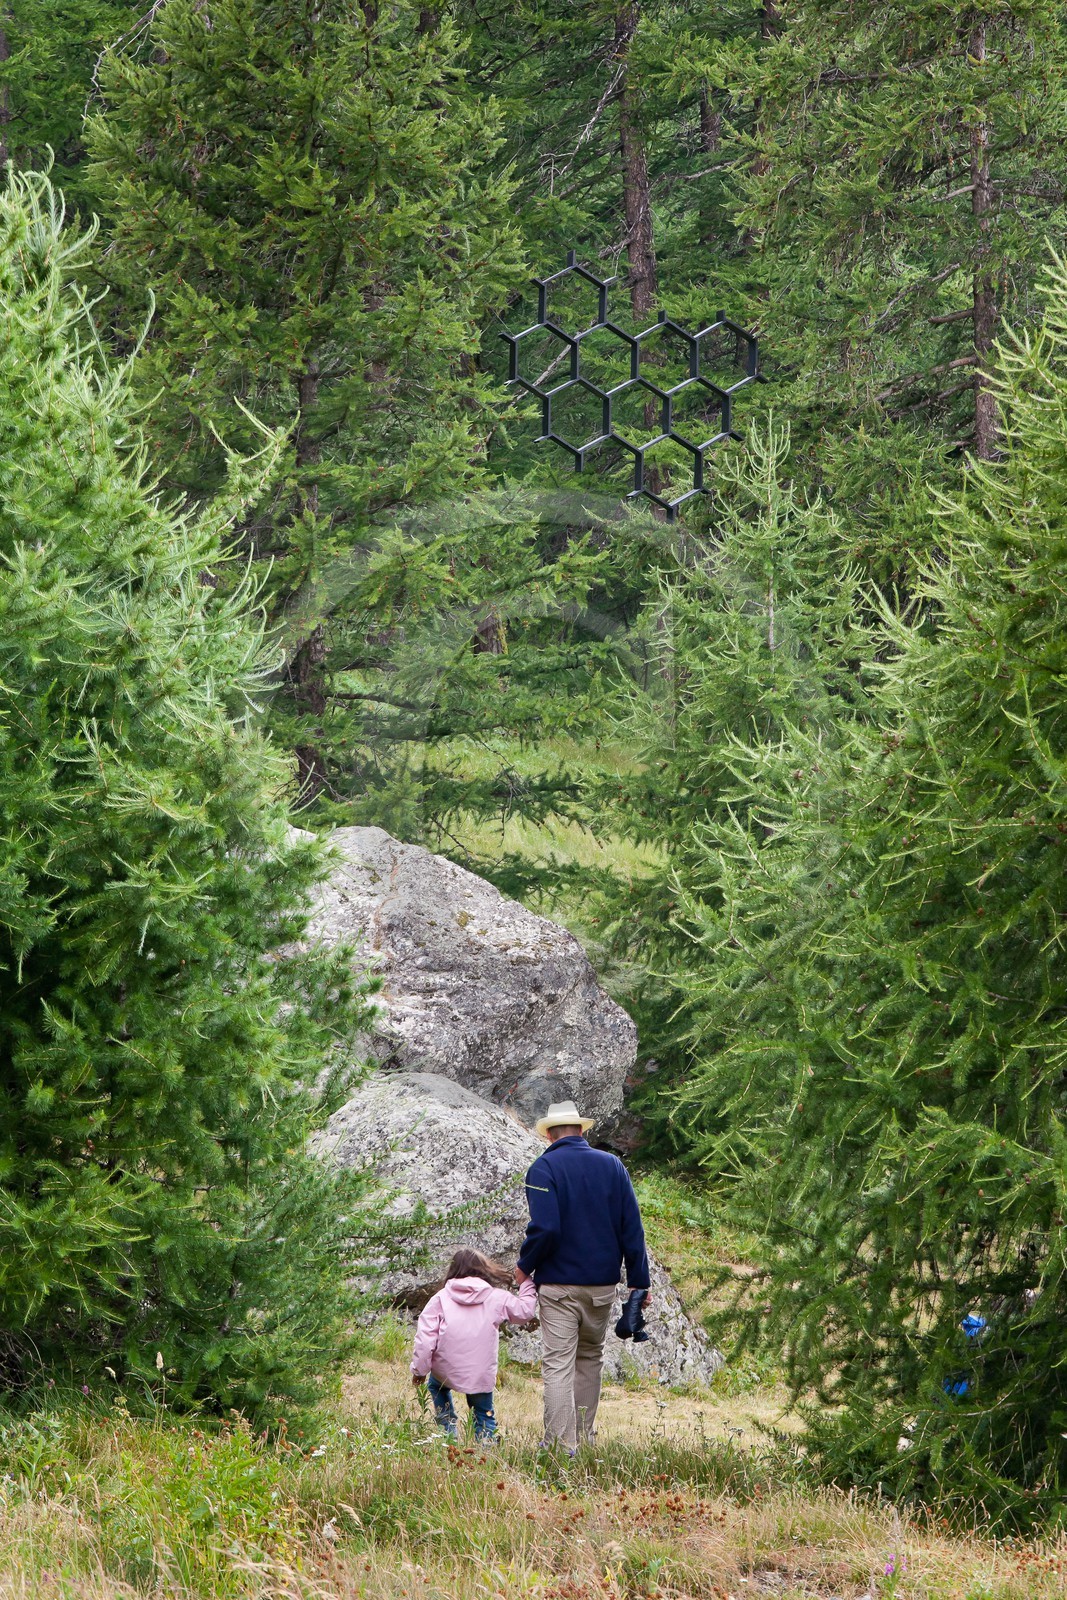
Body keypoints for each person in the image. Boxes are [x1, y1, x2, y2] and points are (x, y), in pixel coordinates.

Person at [515, 1099, 651, 1453]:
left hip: (559, 1286)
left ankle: (562, 1448)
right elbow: (632, 1229)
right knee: (590, 1358)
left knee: (559, 1364)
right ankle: (584, 1441)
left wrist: (524, 1265)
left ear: (549, 1135)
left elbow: (545, 1228)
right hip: (602, 1288)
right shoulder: (612, 1165)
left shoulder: (543, 1168)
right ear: (580, 1130)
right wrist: (639, 1282)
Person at [410, 1248, 537, 1441]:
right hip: (479, 1373)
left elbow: (425, 1339)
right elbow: (525, 1311)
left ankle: (447, 1434)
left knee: (436, 1387)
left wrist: (420, 1370)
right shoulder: (496, 1297)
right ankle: (487, 1450)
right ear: (484, 1270)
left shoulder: (440, 1298)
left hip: (445, 1369)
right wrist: (526, 1282)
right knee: (483, 1413)